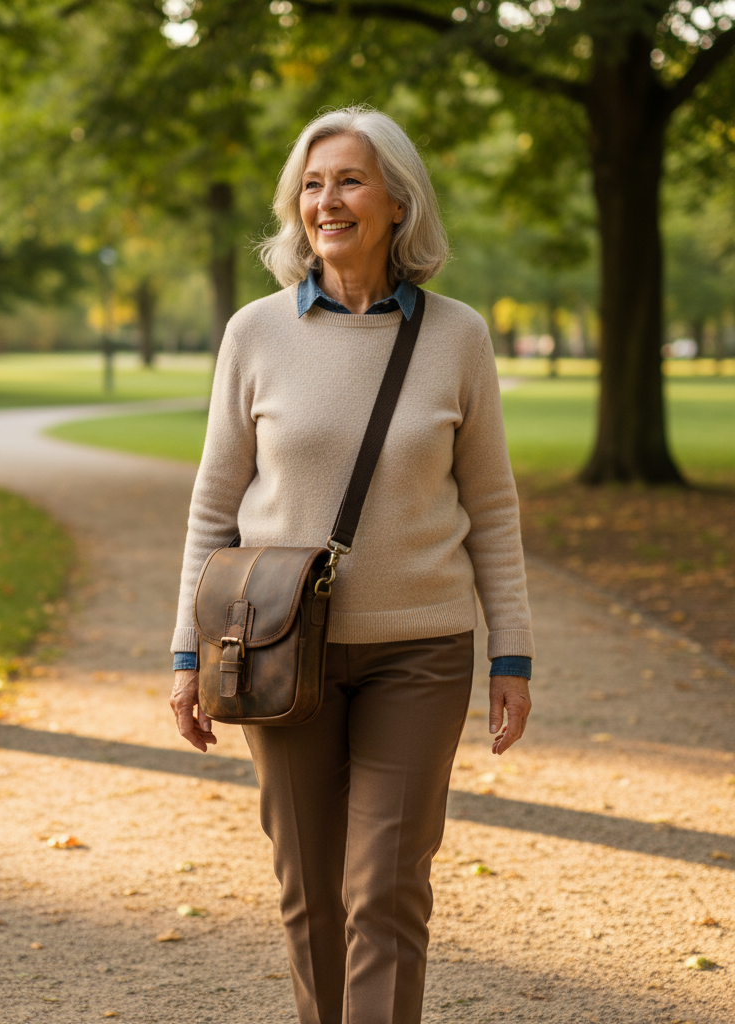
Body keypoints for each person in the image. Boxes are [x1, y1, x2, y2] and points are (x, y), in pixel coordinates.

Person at [169, 105, 534, 1024]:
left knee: (385, 888)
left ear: (399, 203)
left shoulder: (459, 337)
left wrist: (513, 655)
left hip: (422, 648)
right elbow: (215, 504)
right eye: (314, 182)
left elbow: (490, 505)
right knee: (310, 890)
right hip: (278, 644)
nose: (327, 199)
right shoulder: (254, 334)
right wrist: (186, 654)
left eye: (351, 179)